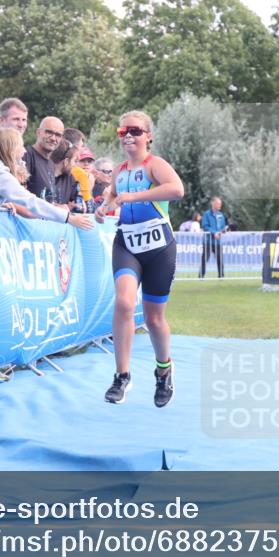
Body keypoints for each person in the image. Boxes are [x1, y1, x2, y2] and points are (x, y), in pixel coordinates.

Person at [94, 110, 184, 407]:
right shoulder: (120, 171)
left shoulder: (153, 165)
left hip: (159, 248)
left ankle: (163, 370)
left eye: (134, 131)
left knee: (154, 318)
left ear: (148, 136)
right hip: (128, 243)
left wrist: (133, 198)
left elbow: (176, 189)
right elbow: (112, 193)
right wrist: (104, 207)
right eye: (122, 132)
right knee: (123, 302)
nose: (128, 136)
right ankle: (122, 375)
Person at [0, 127, 95, 228]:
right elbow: (30, 201)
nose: (24, 151)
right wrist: (68, 218)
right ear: (11, 149)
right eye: (20, 146)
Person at [24, 116, 64, 202]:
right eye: (49, 132)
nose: (53, 138)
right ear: (38, 132)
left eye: (58, 135)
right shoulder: (26, 156)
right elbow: (19, 195)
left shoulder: (51, 164)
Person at [200, 196, 227, 278]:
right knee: (205, 259)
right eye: (218, 203)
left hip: (218, 241)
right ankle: (201, 276)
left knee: (220, 258)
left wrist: (223, 231)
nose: (220, 205)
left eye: (220, 204)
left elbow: (222, 226)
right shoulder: (206, 214)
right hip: (208, 241)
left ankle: (221, 276)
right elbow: (205, 226)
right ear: (213, 203)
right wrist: (214, 233)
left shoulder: (221, 215)